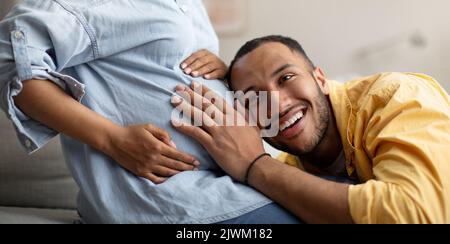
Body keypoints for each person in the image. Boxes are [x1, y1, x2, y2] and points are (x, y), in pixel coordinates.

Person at [0, 1, 301, 224]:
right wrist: (112, 139)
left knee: (340, 201)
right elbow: (9, 58)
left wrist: (225, 75)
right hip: (175, 202)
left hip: (236, 183)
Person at [171, 35, 450, 224]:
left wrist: (255, 166)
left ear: (320, 78)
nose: (277, 105)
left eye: (286, 78)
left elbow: (416, 214)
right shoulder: (290, 172)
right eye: (254, 96)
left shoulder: (398, 96)